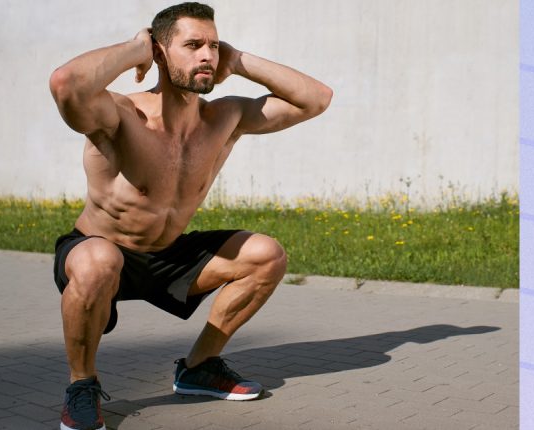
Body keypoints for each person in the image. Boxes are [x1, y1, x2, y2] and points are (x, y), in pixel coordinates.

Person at [48, 3, 332, 429]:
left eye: (214, 46)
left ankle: (199, 366)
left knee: (265, 255)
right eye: (194, 45)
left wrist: (239, 61)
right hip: (100, 251)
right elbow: (66, 84)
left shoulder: (224, 117)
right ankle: (81, 385)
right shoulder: (123, 113)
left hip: (168, 254)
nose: (208, 56)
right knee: (99, 261)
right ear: (161, 52)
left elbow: (316, 99)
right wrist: (133, 50)